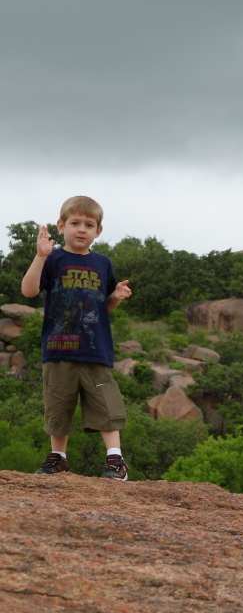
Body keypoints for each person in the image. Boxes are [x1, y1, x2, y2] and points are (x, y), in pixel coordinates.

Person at [20, 196, 132, 480]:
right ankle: (58, 457)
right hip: (59, 349)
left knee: (106, 404)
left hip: (96, 349)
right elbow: (28, 291)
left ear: (98, 231)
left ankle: (115, 461)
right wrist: (40, 255)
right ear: (62, 225)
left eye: (89, 224)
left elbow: (102, 307)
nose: (82, 229)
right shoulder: (54, 258)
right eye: (75, 223)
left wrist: (115, 298)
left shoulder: (102, 263)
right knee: (58, 407)